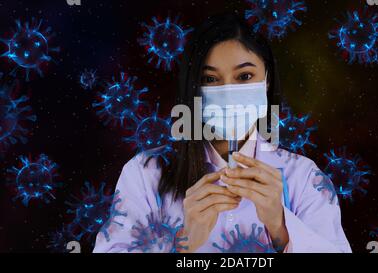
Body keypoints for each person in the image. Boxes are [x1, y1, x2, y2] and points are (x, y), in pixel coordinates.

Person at [93, 13, 351, 253]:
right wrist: (183, 244)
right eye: (210, 80)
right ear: (192, 87)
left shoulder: (304, 178)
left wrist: (282, 229)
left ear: (267, 79)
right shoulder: (145, 174)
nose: (228, 93)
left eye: (244, 76)